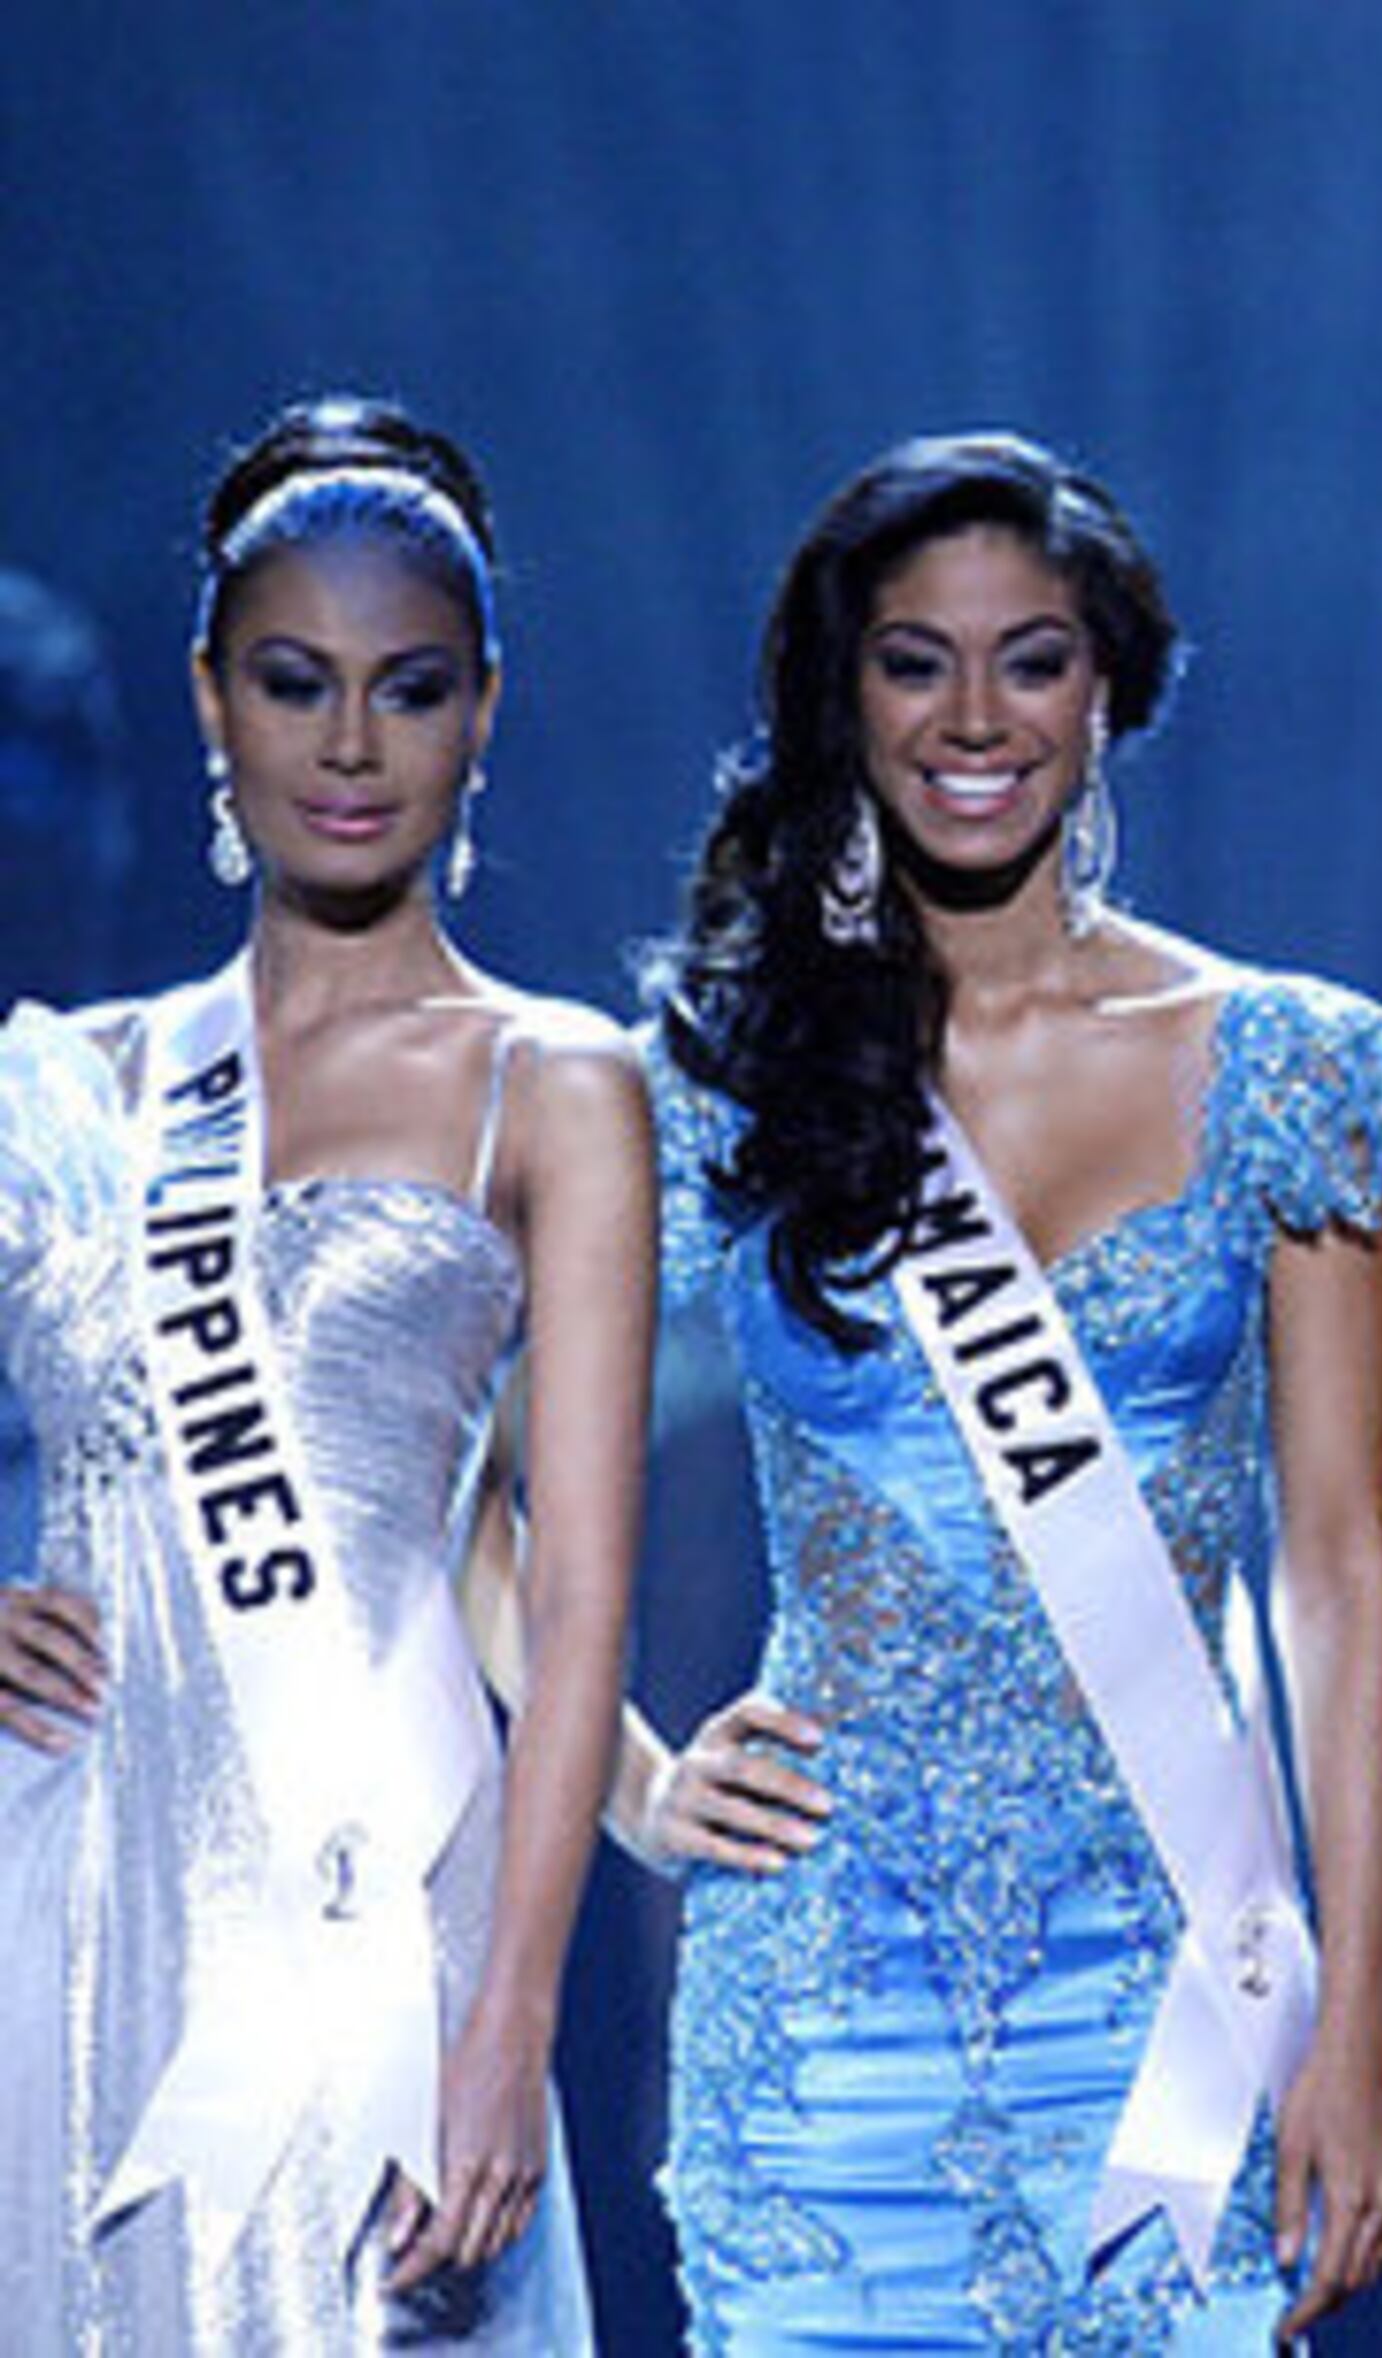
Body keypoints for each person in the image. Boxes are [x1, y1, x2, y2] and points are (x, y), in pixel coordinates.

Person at [624, 432, 1382, 2347]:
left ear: (1109, 686)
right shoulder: (727, 1084)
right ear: (846, 695)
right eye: (915, 661)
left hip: (1177, 1997)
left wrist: (1363, 2031)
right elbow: (469, 1478)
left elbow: (1335, 1575)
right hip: (815, 2018)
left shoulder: (1281, 1065)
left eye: (1032, 657)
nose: (975, 717)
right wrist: (639, 1789)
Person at [0, 395, 644, 2347]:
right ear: (209, 700)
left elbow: (582, 1591)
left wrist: (514, 2021)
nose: (351, 748)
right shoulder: (59, 1085)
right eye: (295, 685)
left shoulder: (560, 1083)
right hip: (77, 1871)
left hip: (387, 1889)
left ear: (484, 707)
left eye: (408, 690)